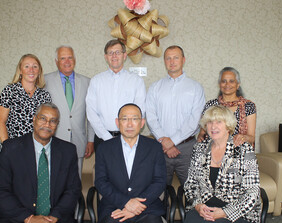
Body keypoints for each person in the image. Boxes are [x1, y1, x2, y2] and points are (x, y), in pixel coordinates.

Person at [0, 103, 82, 223]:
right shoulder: (11, 149)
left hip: (56, 219)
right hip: (17, 219)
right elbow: (0, 191)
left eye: (53, 121)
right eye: (43, 118)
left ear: (57, 125)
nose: (47, 124)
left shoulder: (68, 151)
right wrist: (30, 219)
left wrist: (52, 219)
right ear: (34, 119)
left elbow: (73, 190)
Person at [182, 106, 261, 223]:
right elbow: (191, 184)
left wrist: (225, 212)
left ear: (228, 126)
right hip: (204, 208)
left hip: (236, 211)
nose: (213, 126)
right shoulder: (199, 149)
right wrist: (197, 205)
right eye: (209, 122)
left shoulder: (243, 149)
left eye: (219, 122)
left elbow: (252, 191)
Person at [95, 103, 167, 223]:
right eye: (124, 119)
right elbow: (101, 181)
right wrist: (126, 202)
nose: (129, 124)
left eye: (134, 119)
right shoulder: (104, 148)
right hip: (115, 208)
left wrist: (138, 206)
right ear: (117, 122)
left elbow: (160, 181)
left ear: (142, 122)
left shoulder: (154, 147)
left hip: (147, 208)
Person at [146, 45, 205, 186]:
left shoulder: (195, 87)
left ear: (183, 60)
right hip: (160, 148)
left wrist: (172, 141)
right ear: (164, 61)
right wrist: (164, 141)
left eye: (176, 57)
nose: (172, 61)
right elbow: (151, 116)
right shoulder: (155, 87)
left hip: (187, 149)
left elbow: (195, 119)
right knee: (158, 192)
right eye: (168, 58)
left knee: (192, 191)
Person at [86, 39, 146, 151]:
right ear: (106, 57)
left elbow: (140, 112)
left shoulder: (136, 81)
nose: (114, 56)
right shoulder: (96, 81)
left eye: (117, 52)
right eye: (110, 53)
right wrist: (106, 137)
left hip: (129, 138)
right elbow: (91, 113)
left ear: (124, 56)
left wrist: (126, 136)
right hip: (102, 139)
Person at [45, 46, 95, 176]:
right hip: (54, 141)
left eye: (70, 57)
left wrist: (90, 140)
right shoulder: (44, 81)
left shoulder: (87, 82)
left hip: (78, 142)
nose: (67, 61)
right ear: (56, 61)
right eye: (62, 58)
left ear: (75, 59)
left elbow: (91, 114)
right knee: (55, 182)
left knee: (75, 183)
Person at [0, 54, 52, 142]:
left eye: (35, 66)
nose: (31, 70)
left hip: (38, 147)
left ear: (39, 71)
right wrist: (7, 146)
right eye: (27, 66)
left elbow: (47, 124)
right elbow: (0, 122)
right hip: (14, 147)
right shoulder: (9, 91)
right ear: (20, 71)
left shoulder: (44, 95)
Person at [197, 67, 256, 146]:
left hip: (238, 151)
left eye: (231, 81)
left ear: (238, 84)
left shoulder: (248, 106)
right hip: (213, 149)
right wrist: (200, 136)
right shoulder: (211, 105)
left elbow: (251, 137)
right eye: (224, 81)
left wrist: (243, 138)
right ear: (219, 84)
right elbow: (202, 132)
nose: (227, 84)